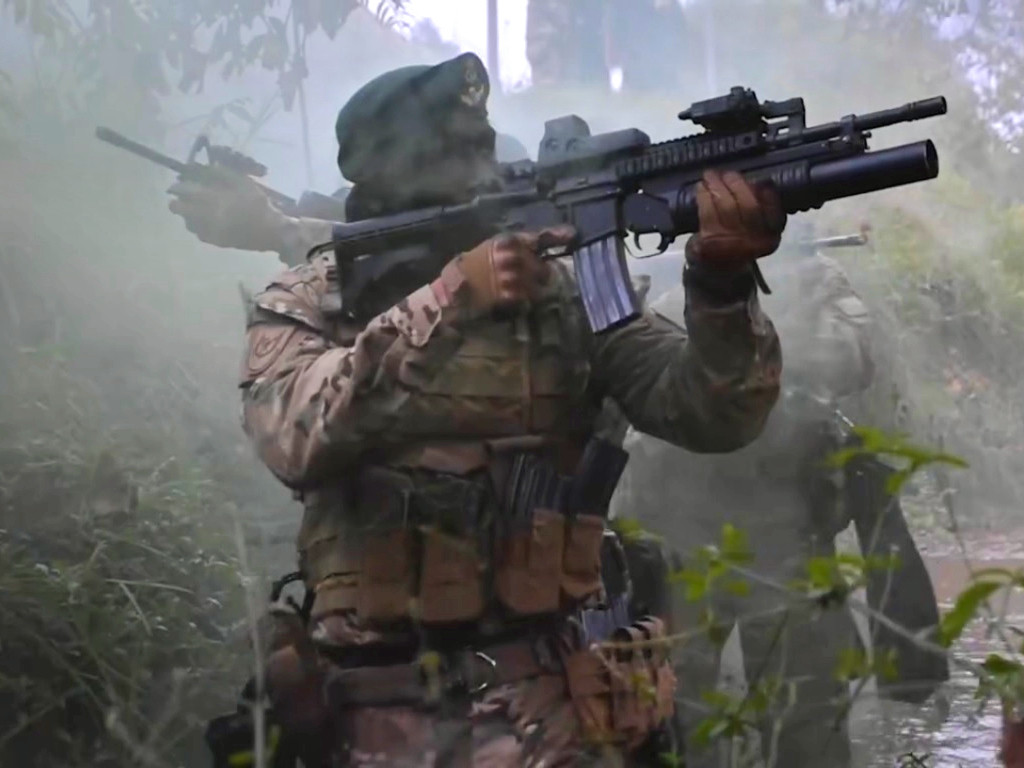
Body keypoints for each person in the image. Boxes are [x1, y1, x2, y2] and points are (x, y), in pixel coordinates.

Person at [225, 49, 787, 767]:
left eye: (480, 149)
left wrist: (720, 281)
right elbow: (293, 439)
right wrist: (450, 298)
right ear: (385, 175)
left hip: (558, 714)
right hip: (377, 719)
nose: (479, 171)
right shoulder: (311, 299)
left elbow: (715, 416)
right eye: (450, 156)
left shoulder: (567, 297)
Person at [611, 226, 875, 768]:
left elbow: (854, 358)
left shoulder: (820, 283)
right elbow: (636, 386)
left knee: (804, 713)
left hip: (783, 527)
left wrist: (789, 299)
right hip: (677, 533)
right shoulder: (659, 298)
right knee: (677, 709)